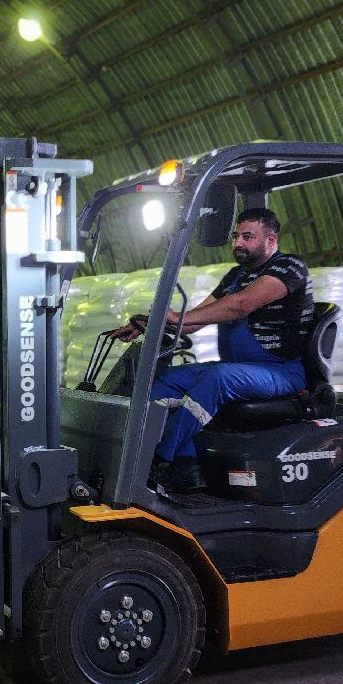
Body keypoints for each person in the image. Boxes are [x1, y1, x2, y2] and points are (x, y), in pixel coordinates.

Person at [112, 207, 313, 493]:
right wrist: (151, 324)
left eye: (247, 237)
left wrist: (173, 318)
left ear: (270, 240)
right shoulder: (235, 276)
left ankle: (158, 461)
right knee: (168, 380)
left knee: (218, 378)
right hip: (241, 369)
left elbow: (239, 306)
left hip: (280, 372)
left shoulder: (288, 268)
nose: (238, 243)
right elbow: (193, 321)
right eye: (235, 237)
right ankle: (183, 464)